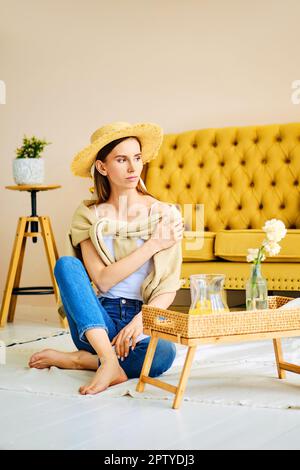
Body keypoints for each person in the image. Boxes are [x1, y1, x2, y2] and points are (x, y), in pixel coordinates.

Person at [28, 121, 184, 395]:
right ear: (102, 167)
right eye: (121, 159)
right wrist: (152, 245)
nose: (133, 168)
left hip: (139, 316)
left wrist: (142, 322)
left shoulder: (164, 214)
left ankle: (82, 362)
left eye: (137, 158)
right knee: (66, 265)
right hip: (96, 320)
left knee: (163, 353)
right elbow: (102, 280)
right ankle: (108, 360)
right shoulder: (88, 215)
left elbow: (168, 287)